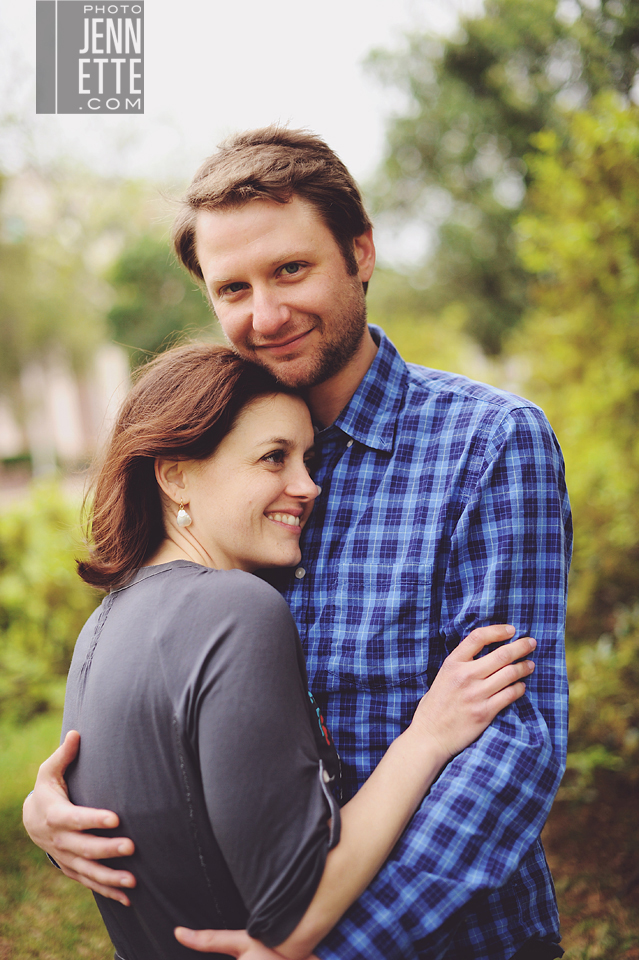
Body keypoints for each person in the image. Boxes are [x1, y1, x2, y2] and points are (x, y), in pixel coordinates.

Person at [24, 127, 572, 960]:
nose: (265, 315)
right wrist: (61, 804)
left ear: (360, 252)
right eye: (231, 288)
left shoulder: (488, 445)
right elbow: (155, 673)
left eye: (290, 270)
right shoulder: (206, 462)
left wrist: (330, 948)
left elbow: (510, 749)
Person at [49, 340, 534, 960]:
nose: (308, 486)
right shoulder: (237, 609)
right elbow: (291, 910)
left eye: (307, 459)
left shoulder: (103, 626)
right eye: (273, 458)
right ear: (174, 473)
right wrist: (427, 737)